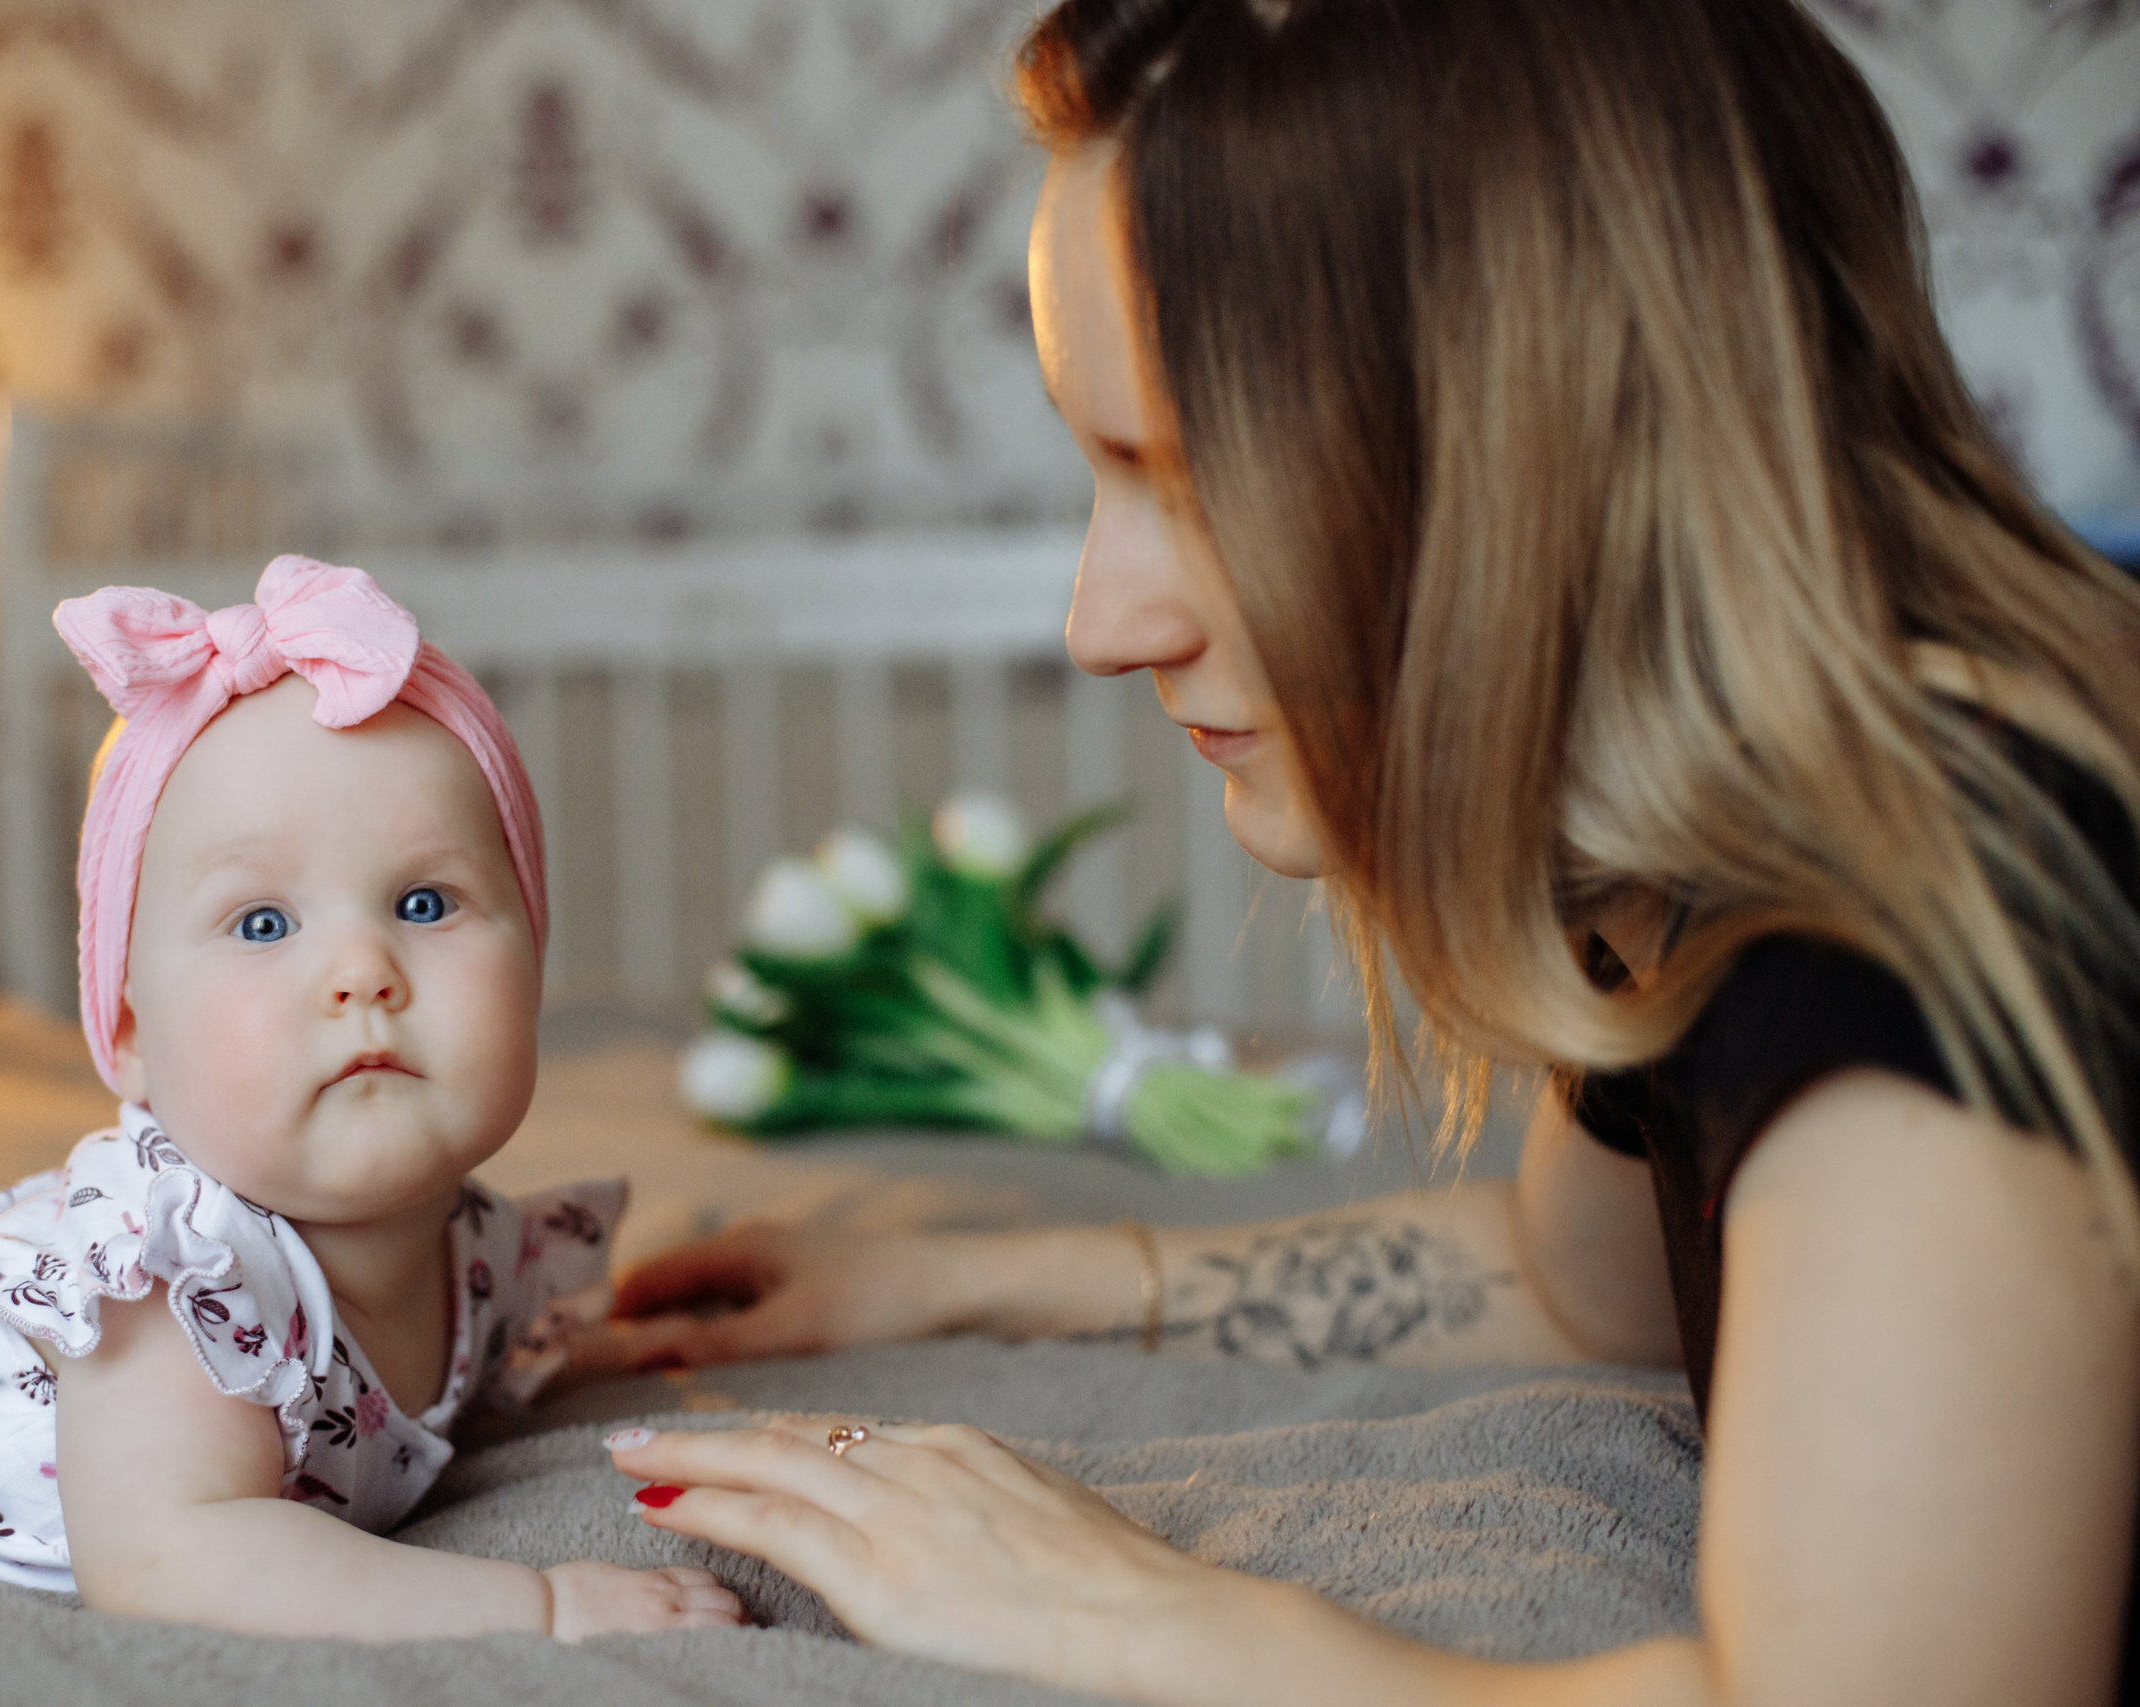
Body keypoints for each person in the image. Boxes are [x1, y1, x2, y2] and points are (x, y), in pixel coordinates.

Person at [582, 0, 2140, 1701]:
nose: (1101, 621)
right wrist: (954, 1277)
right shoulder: (1713, 844)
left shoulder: (1919, 911)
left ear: (1510, 441)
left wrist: (1128, 1610)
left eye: (1177, 472)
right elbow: (1578, 1281)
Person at [0, 555, 745, 1642]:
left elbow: (483, 1361)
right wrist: (539, 1606)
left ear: (535, 962)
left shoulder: (467, 1243)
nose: (361, 971)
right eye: (263, 924)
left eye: (427, 904)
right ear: (128, 1036)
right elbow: (167, 1557)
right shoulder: (180, 1277)